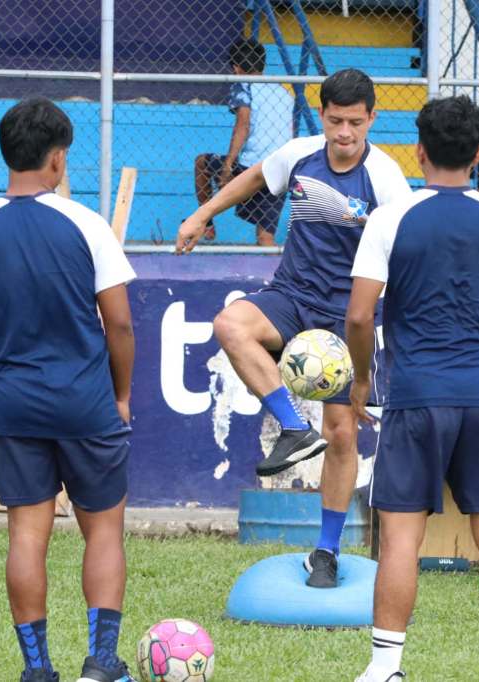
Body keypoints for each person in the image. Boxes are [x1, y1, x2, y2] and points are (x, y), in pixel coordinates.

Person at [178, 69, 411, 588]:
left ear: (372, 118)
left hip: (346, 314)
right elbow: (254, 178)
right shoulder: (300, 155)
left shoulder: (386, 180)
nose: (344, 132)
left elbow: (404, 252)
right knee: (230, 324)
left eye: (355, 122)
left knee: (342, 432)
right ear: (321, 114)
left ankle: (326, 551)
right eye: (335, 120)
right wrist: (202, 213)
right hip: (291, 296)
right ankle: (292, 426)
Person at [0, 98, 138, 682]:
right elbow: (120, 325)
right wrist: (121, 395)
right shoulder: (87, 225)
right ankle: (101, 664)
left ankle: (37, 670)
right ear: (58, 159)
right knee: (104, 529)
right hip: (86, 401)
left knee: (27, 535)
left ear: (7, 155)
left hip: (16, 406)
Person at [347, 95, 479, 682]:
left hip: (416, 393)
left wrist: (361, 377)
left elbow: (358, 316)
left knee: (401, 535)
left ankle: (386, 668)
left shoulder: (391, 218)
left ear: (419, 151)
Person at [193, 37, 293, 245]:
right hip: (279, 169)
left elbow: (243, 125)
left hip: (250, 169)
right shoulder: (282, 91)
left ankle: (206, 223)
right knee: (265, 237)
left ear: (236, 68)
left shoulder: (244, 86)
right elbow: (290, 131)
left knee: (202, 163)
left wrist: (228, 165)